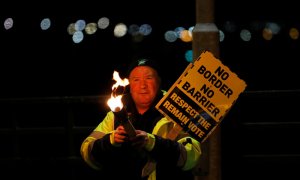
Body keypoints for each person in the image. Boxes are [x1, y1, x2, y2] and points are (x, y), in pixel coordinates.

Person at [80, 58, 201, 179]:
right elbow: (88, 152)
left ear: (159, 82)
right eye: (136, 80)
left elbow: (190, 157)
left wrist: (151, 142)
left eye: (149, 78)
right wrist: (111, 141)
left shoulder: (177, 110)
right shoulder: (115, 114)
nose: (143, 85)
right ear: (129, 85)